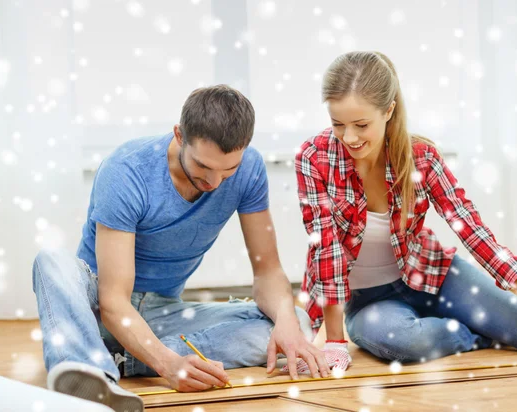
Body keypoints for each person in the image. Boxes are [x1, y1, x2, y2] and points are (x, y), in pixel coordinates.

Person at [32, 85, 329, 412]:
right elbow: (114, 300)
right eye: (203, 166)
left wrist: (285, 319)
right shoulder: (127, 170)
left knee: (297, 322)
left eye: (227, 170)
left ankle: (116, 360)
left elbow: (268, 270)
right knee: (51, 261)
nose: (214, 182)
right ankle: (87, 371)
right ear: (179, 135)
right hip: (97, 306)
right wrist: (167, 365)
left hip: (162, 313)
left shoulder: (250, 169)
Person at [291, 51, 517, 374]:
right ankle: (473, 334)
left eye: (361, 125)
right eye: (338, 124)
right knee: (400, 342)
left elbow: (474, 233)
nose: (349, 137)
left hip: (436, 275)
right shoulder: (313, 158)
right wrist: (335, 341)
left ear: (388, 110)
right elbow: (327, 251)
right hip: (371, 301)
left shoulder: (422, 158)